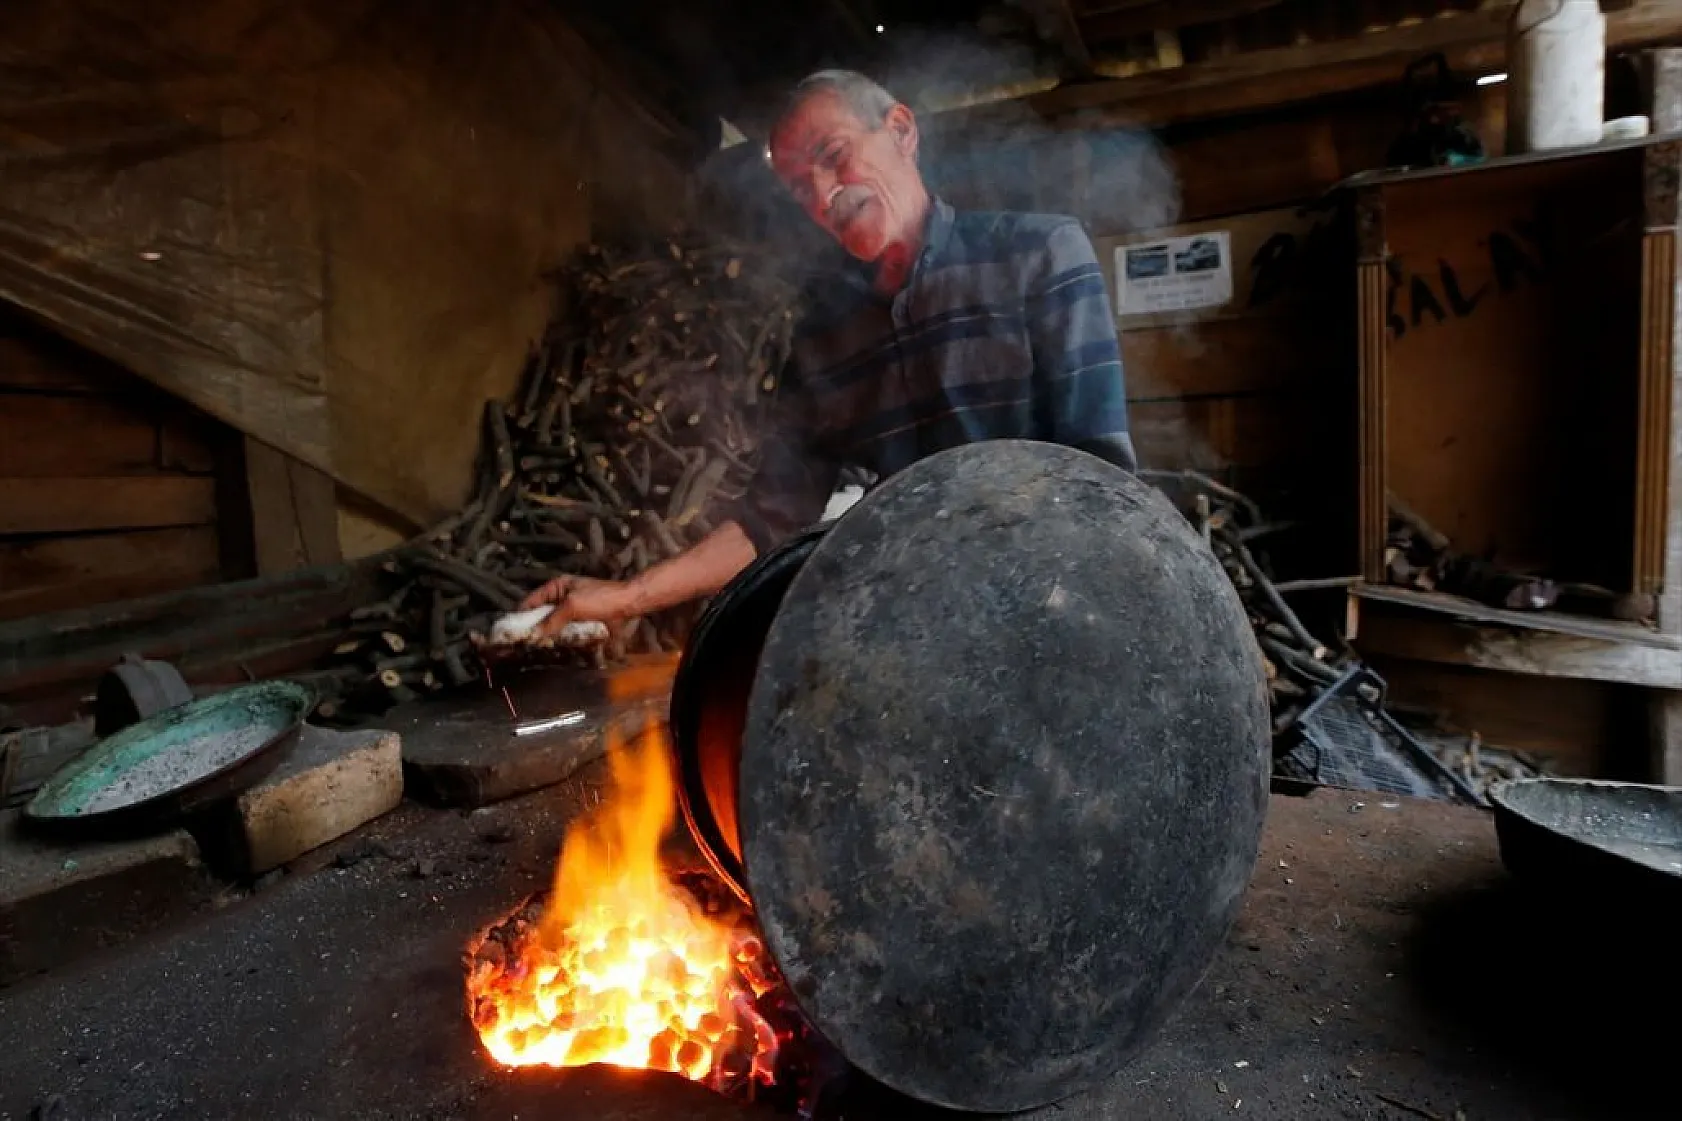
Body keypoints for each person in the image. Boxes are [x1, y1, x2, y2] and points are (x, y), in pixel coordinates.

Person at [522, 68, 1137, 637]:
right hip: (912, 633)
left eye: (832, 156)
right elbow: (770, 519)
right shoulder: (822, 338)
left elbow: (1101, 478)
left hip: (1051, 616)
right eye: (798, 187)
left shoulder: (1039, 254)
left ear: (901, 130)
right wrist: (627, 596)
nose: (822, 195)